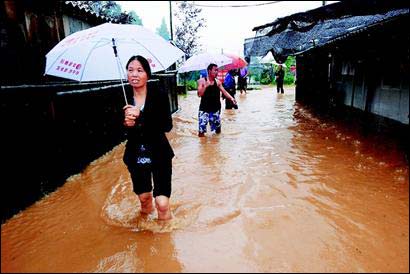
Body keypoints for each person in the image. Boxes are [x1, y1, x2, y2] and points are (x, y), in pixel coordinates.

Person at [122, 55, 174, 220]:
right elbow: (114, 131)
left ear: (147, 74)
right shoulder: (122, 97)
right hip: (136, 154)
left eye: (139, 70)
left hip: (159, 152)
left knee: (162, 203)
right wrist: (125, 124)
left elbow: (167, 125)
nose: (134, 74)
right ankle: (146, 233)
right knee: (144, 199)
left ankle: (165, 241)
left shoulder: (159, 95)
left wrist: (141, 115)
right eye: (130, 70)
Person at [197, 63, 237, 137]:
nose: (217, 72)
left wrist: (231, 98)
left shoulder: (218, 82)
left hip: (215, 109)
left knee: (217, 131)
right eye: (215, 70)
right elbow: (199, 94)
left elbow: (224, 91)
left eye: (217, 70)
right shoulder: (201, 81)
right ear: (209, 71)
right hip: (204, 110)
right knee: (201, 132)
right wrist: (205, 86)